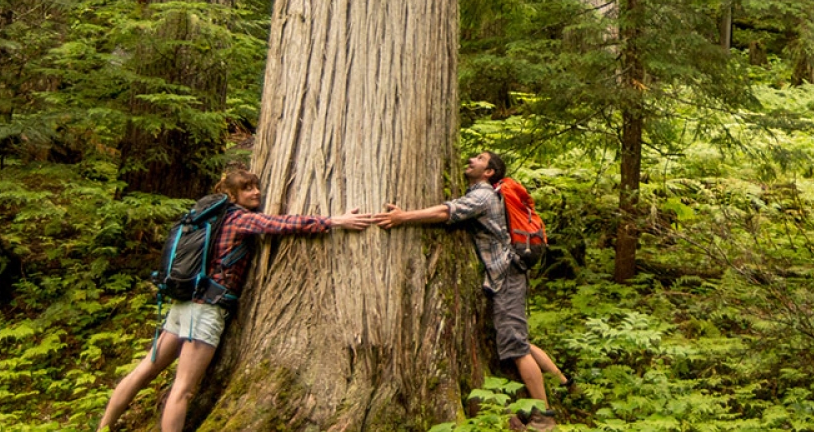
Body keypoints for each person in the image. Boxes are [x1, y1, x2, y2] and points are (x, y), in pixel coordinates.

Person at [98, 167, 371, 432]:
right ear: (231, 194)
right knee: (183, 390)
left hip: (184, 304)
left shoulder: (209, 219)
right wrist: (334, 221)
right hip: (204, 312)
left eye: (255, 186)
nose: (256, 192)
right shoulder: (239, 219)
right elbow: (281, 224)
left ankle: (103, 428)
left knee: (143, 372)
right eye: (246, 188)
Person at [368, 151, 565, 432]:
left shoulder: (483, 196)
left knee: (517, 347)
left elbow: (445, 212)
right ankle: (563, 384)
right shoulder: (484, 193)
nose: (472, 159)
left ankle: (545, 417)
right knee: (516, 340)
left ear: (489, 173)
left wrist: (402, 217)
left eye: (480, 159)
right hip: (504, 277)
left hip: (507, 276)